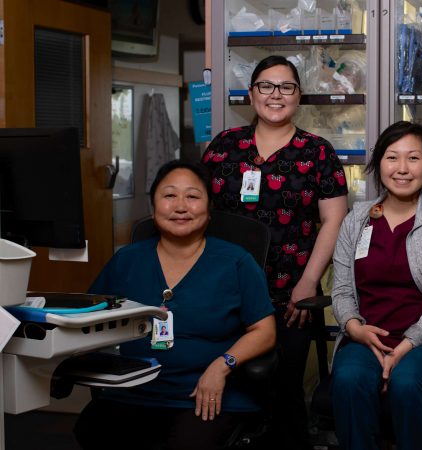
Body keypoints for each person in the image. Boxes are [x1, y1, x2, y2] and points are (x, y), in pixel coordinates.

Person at [74, 161, 276, 450]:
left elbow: (264, 330)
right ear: (154, 207)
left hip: (206, 395)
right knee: (92, 430)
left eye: (193, 197)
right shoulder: (127, 260)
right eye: (169, 196)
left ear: (208, 211)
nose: (181, 206)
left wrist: (222, 366)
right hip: (133, 390)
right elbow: (90, 317)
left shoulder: (235, 262)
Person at [201, 55, 349, 449]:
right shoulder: (224, 147)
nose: (275, 95)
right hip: (224, 291)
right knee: (223, 388)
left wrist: (308, 281)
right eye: (266, 85)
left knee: (283, 393)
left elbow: (333, 221)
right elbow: (200, 214)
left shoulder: (318, 152)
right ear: (251, 94)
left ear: (299, 96)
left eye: (286, 86)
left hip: (289, 295)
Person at [329, 121, 422, 450]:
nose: (402, 168)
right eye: (391, 157)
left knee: (408, 380)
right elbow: (340, 289)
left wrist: (407, 345)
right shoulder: (356, 219)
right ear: (378, 164)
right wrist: (355, 329)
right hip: (369, 336)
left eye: (413, 158)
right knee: (348, 379)